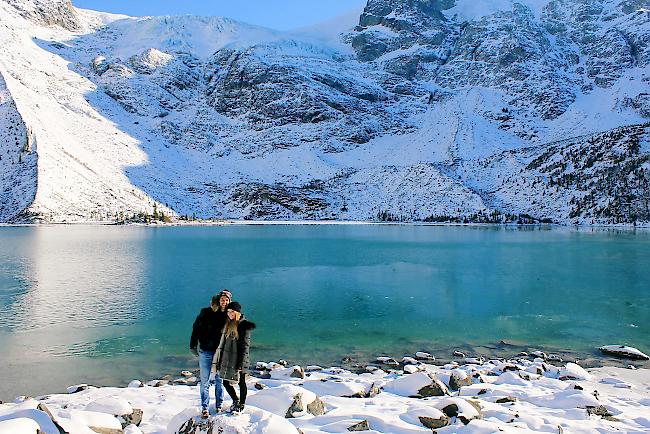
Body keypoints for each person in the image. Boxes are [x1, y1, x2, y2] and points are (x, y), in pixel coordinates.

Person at [190, 289, 231, 418]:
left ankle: (219, 406)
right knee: (205, 381)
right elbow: (196, 328)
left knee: (220, 379)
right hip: (206, 350)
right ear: (218, 300)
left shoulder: (230, 315)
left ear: (229, 301)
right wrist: (193, 345)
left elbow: (238, 329)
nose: (224, 302)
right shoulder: (206, 312)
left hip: (221, 352)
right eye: (222, 299)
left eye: (226, 300)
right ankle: (205, 408)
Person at [212, 301, 256, 414]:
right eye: (228, 312)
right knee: (226, 382)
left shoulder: (243, 325)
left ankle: (242, 404)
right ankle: (235, 400)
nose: (229, 314)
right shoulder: (228, 323)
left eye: (231, 312)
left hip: (240, 359)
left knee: (241, 382)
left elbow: (245, 346)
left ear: (236, 312)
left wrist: (241, 363)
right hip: (228, 357)